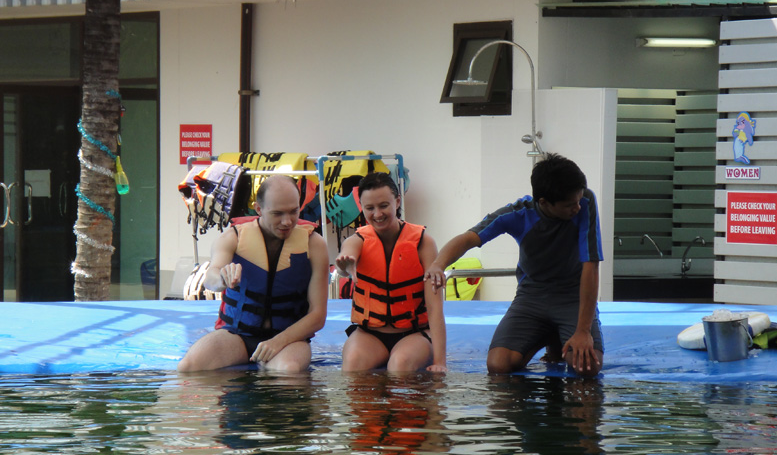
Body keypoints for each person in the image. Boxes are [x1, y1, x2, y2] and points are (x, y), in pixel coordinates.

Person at [425, 153, 604, 377]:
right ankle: (552, 335)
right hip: (532, 298)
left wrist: (583, 330)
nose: (577, 208)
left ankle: (559, 337)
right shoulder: (518, 214)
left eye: (578, 201)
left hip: (572, 297)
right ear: (544, 202)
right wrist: (438, 264)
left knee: (586, 367)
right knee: (499, 365)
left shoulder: (585, 201)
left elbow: (591, 265)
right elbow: (469, 238)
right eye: (570, 205)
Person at [177, 175, 329, 372]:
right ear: (258, 209)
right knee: (188, 368)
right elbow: (210, 278)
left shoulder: (314, 244)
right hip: (237, 335)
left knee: (287, 371)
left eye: (294, 211)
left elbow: (318, 315)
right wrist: (222, 278)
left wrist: (277, 342)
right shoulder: (233, 237)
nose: (287, 221)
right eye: (277, 213)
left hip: (289, 340)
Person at [335, 172, 446, 372]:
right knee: (352, 366)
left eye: (383, 206)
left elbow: (435, 308)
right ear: (361, 207)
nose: (377, 214)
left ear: (397, 202)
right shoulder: (356, 241)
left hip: (414, 333)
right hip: (369, 334)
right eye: (370, 208)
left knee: (399, 366)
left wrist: (440, 362)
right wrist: (346, 266)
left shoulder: (423, 243)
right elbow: (347, 256)